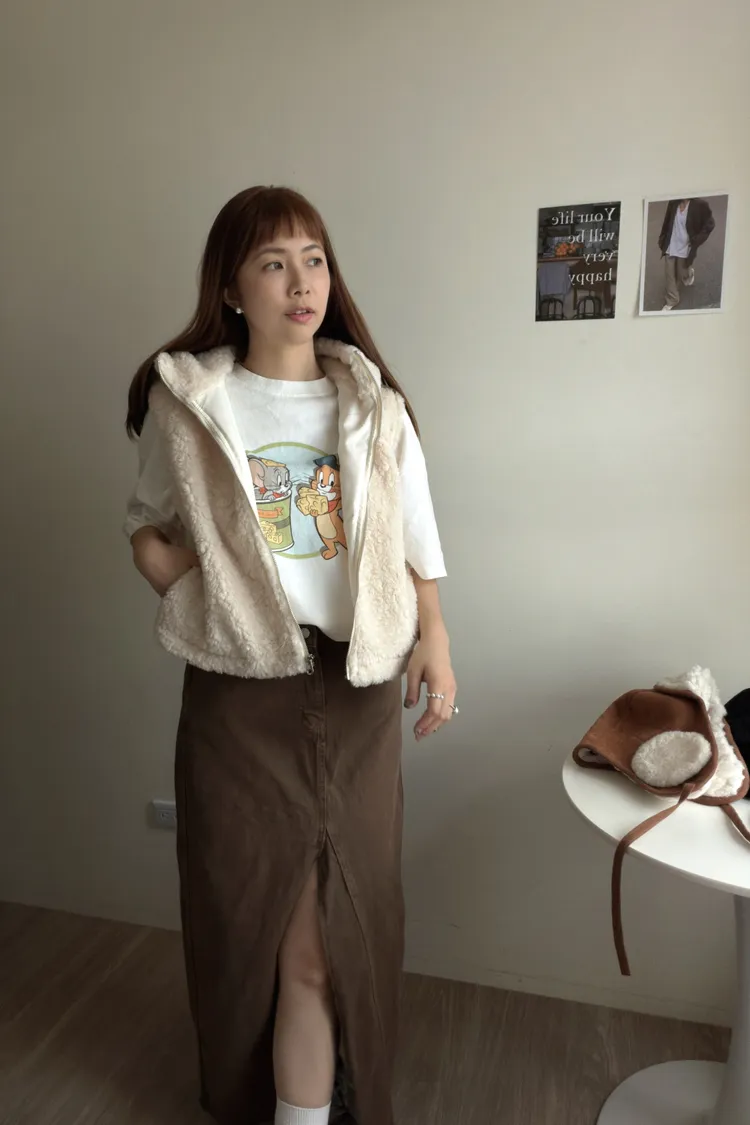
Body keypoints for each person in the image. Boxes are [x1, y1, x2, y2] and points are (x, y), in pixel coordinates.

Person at [123, 186, 457, 1125]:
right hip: (239, 696)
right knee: (250, 920)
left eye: (314, 259)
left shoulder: (372, 403)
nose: (301, 282)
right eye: (273, 262)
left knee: (335, 929)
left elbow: (416, 538)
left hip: (355, 690)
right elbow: (147, 525)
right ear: (232, 288)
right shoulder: (190, 402)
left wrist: (435, 639)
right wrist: (195, 594)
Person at [658, 197, 715, 311]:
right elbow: (667, 221)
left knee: (681, 273)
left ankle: (688, 273)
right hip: (671, 243)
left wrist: (698, 239)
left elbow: (710, 224)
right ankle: (672, 299)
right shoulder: (673, 202)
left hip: (686, 245)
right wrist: (662, 238)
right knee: (669, 273)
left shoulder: (700, 205)